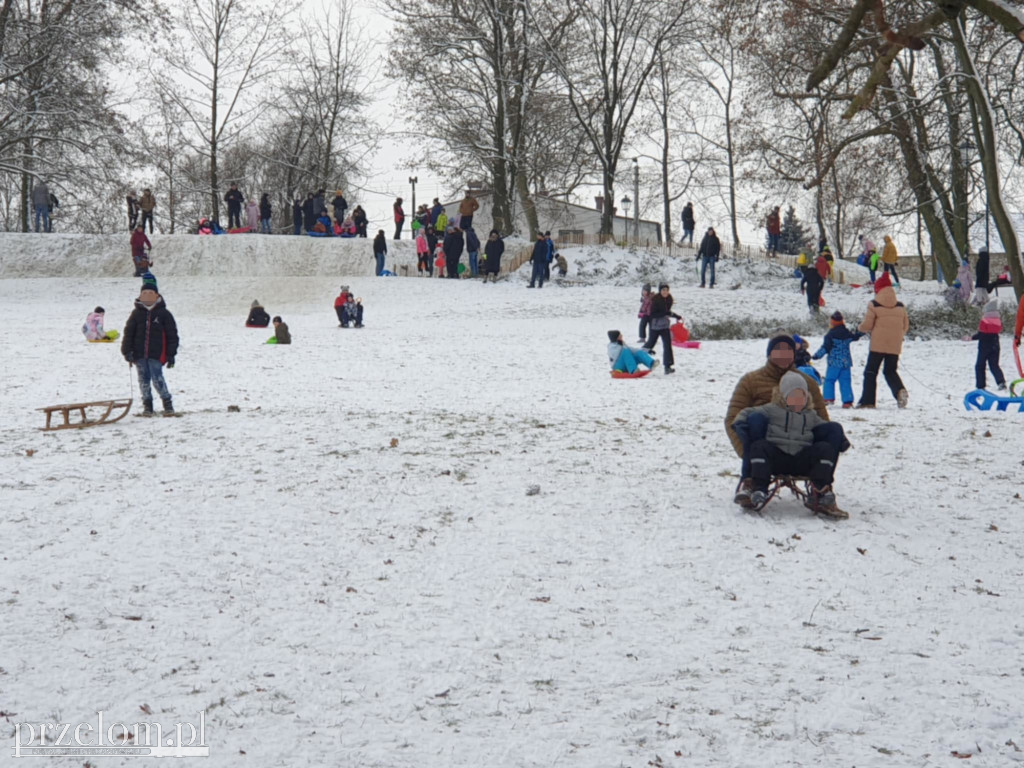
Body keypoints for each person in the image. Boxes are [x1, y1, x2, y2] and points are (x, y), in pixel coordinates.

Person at [724, 335, 835, 507]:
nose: (784, 355)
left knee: (832, 429)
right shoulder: (751, 381)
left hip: (801, 446)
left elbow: (821, 418)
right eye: (778, 350)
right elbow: (733, 419)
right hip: (765, 450)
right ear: (769, 353)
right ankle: (751, 481)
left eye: (788, 350)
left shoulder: (807, 383)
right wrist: (747, 453)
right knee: (756, 418)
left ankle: (821, 488)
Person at [731, 372, 844, 517]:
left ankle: (821, 489)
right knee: (759, 446)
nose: (798, 401)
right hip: (777, 458)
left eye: (801, 397)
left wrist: (840, 439)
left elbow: (825, 427)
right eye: (793, 397)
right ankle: (759, 487)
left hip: (801, 459)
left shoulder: (811, 415)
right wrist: (739, 423)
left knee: (825, 448)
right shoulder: (771, 409)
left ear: (806, 397)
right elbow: (748, 412)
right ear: (784, 397)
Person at [122, 278, 178, 415]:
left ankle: (167, 403)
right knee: (143, 380)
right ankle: (147, 405)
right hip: (139, 354)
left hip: (156, 354)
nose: (147, 294)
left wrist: (171, 355)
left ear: (157, 295)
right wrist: (126, 351)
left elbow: (172, 335)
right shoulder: (136, 314)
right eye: (144, 292)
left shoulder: (164, 314)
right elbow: (128, 333)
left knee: (158, 378)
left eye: (150, 292)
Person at [856, 271, 909, 408]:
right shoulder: (900, 306)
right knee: (890, 371)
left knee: (871, 372)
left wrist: (859, 329)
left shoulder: (874, 304)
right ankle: (899, 390)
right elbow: (905, 326)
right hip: (895, 345)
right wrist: (898, 336)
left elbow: (867, 325)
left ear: (878, 290)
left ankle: (868, 401)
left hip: (877, 345)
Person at [812, 311, 864, 407]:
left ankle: (828, 398)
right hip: (846, 362)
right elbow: (855, 337)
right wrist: (861, 331)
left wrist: (816, 356)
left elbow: (825, 348)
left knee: (829, 380)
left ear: (832, 322)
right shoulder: (846, 333)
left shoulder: (830, 335)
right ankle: (847, 401)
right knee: (845, 381)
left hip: (834, 362)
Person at [965, 298, 1006, 391]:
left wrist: (971, 338)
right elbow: (999, 330)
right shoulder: (998, 320)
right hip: (995, 344)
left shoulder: (984, 321)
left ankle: (980, 385)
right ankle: (1001, 382)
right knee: (994, 365)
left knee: (979, 365)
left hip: (984, 346)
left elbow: (981, 334)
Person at [643, 283, 682, 374]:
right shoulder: (655, 300)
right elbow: (652, 314)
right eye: (663, 290)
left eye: (667, 290)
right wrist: (664, 314)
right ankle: (637, 356)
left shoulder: (669, 299)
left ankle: (667, 366)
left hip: (664, 326)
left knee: (667, 345)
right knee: (650, 344)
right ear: (660, 291)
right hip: (655, 326)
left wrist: (676, 316)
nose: (665, 292)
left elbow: (668, 312)